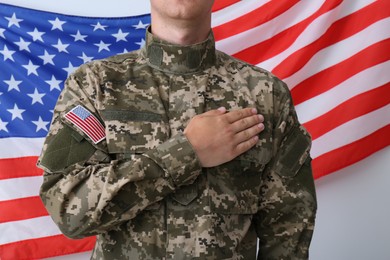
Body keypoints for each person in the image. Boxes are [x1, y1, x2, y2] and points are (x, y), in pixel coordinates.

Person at [37, 0, 317, 259]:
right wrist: (187, 152)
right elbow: (67, 209)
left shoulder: (266, 94)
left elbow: (289, 226)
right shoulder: (95, 85)